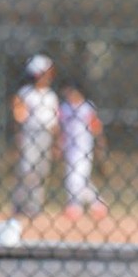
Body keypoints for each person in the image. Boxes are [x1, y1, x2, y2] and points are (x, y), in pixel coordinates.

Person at [11, 53, 59, 217]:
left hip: (46, 134)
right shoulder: (25, 93)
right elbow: (19, 116)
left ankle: (34, 206)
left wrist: (56, 142)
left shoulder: (51, 95)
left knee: (41, 170)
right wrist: (19, 137)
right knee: (27, 169)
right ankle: (20, 203)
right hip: (30, 133)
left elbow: (54, 122)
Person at [58, 81, 108, 220]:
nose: (68, 95)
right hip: (69, 147)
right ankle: (97, 203)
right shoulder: (64, 108)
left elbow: (96, 128)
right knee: (76, 178)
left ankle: (75, 206)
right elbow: (60, 129)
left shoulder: (87, 107)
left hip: (83, 147)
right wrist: (58, 145)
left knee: (76, 177)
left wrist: (100, 146)